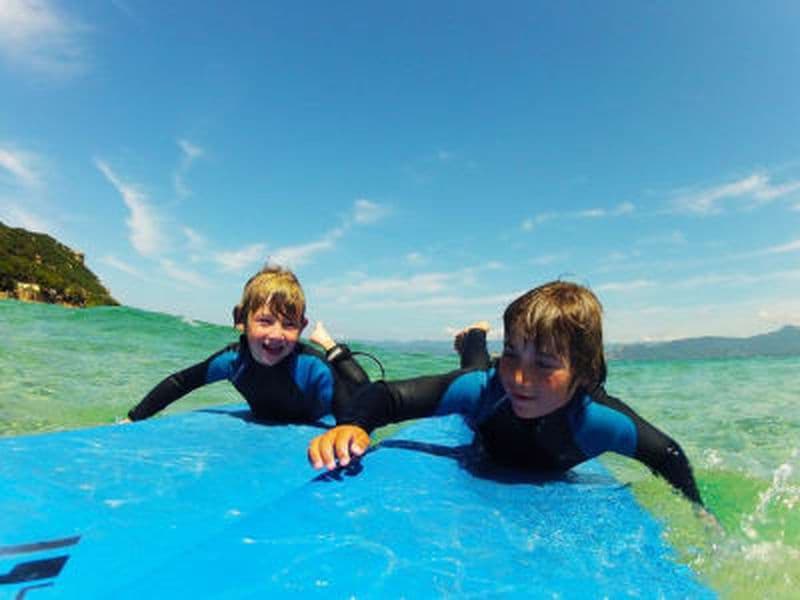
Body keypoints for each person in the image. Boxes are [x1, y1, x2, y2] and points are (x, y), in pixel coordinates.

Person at [307, 280, 706, 506]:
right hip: (479, 382)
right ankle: (475, 337)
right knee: (473, 369)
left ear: (583, 374)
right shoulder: (486, 390)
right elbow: (388, 397)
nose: (519, 377)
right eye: (512, 354)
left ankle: (473, 335)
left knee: (475, 367)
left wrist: (699, 513)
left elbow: (666, 454)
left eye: (545, 364)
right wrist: (354, 425)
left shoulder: (598, 419)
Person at [125, 265, 369, 423]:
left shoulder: (314, 368)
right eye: (265, 321)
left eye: (289, 325)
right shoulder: (233, 361)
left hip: (318, 418)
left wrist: (347, 434)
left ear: (302, 327)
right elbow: (181, 382)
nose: (276, 334)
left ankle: (330, 345)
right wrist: (135, 418)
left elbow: (356, 412)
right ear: (241, 319)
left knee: (362, 388)